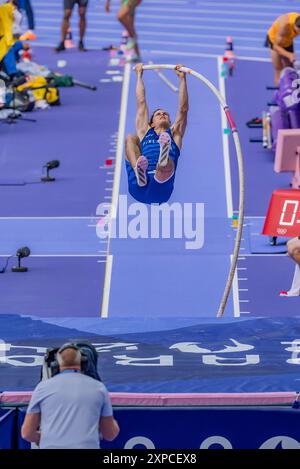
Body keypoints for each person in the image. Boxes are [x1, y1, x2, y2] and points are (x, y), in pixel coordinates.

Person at [21, 343, 119, 449]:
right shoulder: (98, 388)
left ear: (56, 365)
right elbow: (110, 434)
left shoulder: (43, 388)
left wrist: (42, 438)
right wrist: (114, 424)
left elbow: (27, 433)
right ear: (84, 363)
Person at [125, 63, 188, 205]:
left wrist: (182, 79)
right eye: (158, 114)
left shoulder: (175, 134)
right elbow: (141, 102)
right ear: (151, 123)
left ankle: (163, 157)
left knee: (166, 166)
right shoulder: (144, 131)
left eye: (165, 114)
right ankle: (139, 171)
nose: (163, 114)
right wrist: (139, 75)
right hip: (139, 186)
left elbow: (183, 110)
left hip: (161, 187)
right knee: (130, 138)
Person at [265, 12, 300, 85]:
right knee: (278, 68)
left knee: (290, 69)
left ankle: (291, 90)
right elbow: (276, 46)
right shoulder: (284, 25)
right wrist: (289, 55)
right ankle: (278, 91)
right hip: (275, 42)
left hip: (288, 41)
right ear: (295, 26)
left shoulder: (297, 22)